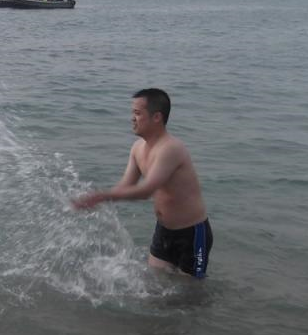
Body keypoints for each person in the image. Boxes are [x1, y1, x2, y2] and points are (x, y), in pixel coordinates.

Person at [72, 89, 213, 278]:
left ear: (157, 117)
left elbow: (146, 190)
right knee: (157, 284)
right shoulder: (137, 148)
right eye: (133, 113)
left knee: (191, 291)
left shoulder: (171, 148)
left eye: (137, 113)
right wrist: (95, 199)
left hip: (192, 234)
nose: (132, 118)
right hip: (163, 230)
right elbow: (125, 186)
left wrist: (103, 196)